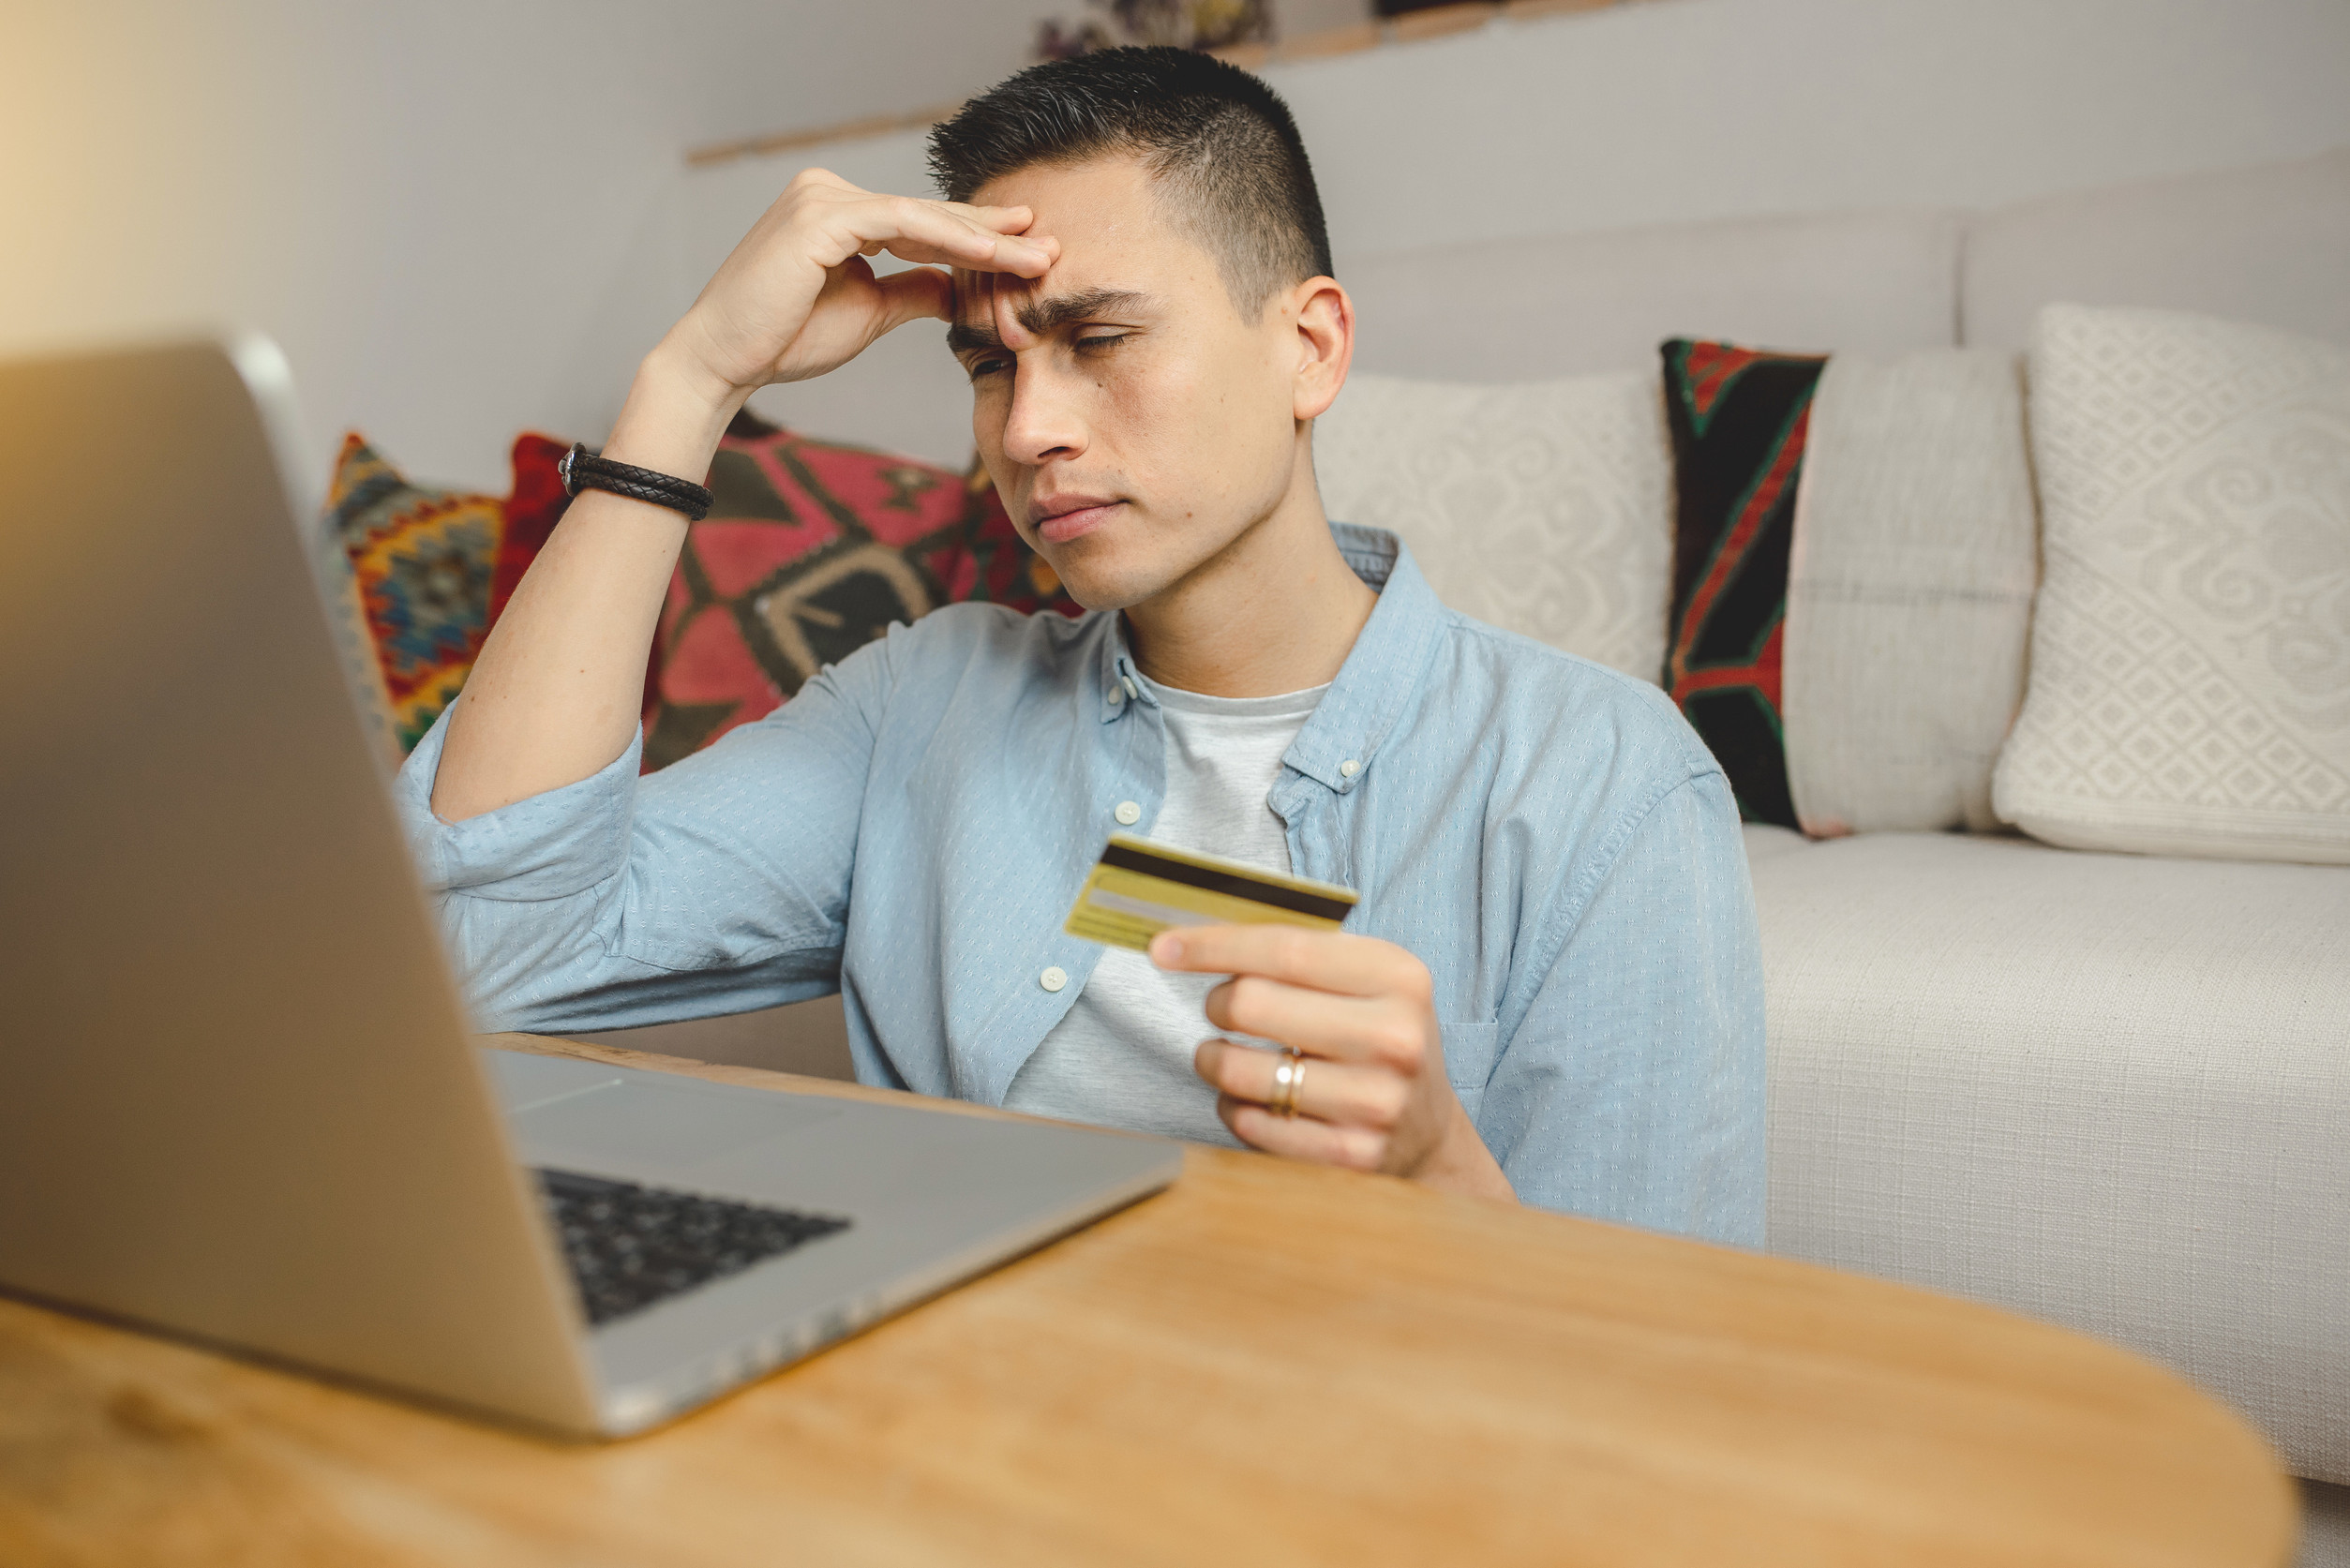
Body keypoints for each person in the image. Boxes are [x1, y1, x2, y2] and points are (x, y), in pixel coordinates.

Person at [399, 47, 1765, 1241]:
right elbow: (487, 950)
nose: (1026, 428)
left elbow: (1656, 1380)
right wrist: (695, 378)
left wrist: (1440, 1171)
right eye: (989, 364)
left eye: (1098, 335)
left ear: (1311, 348)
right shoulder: (921, 706)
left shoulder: (1600, 783)